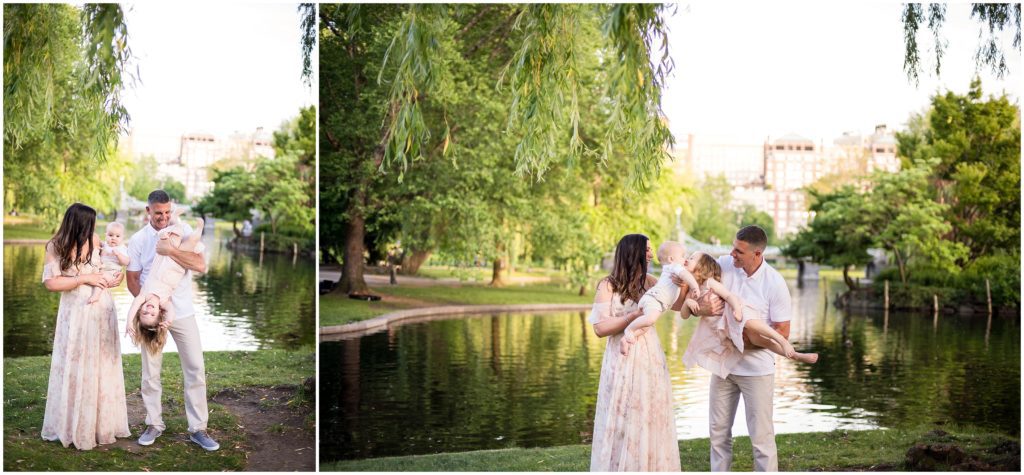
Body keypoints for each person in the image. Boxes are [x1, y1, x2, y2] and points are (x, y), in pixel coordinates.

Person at [588, 234, 722, 471]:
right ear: (632, 253)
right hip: (621, 357)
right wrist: (632, 317)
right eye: (647, 250)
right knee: (622, 414)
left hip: (649, 354)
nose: (651, 254)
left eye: (650, 250)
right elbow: (600, 328)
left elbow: (678, 306)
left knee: (648, 412)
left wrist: (687, 291)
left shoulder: (650, 281)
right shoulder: (608, 285)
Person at [691, 225, 795, 471]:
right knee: (717, 434)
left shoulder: (775, 283)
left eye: (738, 251)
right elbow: (694, 288)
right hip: (723, 366)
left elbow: (783, 333)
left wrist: (744, 341)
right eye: (733, 247)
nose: (731, 254)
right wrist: (702, 308)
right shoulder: (724, 265)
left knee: (761, 439)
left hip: (757, 371)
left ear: (757, 254)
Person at [126, 190, 219, 451]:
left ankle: (198, 428)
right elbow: (132, 279)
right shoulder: (138, 240)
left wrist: (170, 250)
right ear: (148, 211)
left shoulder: (182, 229)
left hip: (183, 312)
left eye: (168, 212)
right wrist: (149, 308)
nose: (164, 218)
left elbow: (200, 265)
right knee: (150, 373)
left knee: (195, 369)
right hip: (153, 315)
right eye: (158, 213)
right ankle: (154, 423)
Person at [40, 203, 130, 450]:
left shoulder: (96, 239)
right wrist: (84, 278)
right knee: (76, 363)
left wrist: (113, 278)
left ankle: (101, 425)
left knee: (100, 364)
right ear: (77, 222)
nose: (93, 228)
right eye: (89, 223)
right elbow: (50, 283)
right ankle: (74, 424)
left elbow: (103, 268)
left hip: (102, 308)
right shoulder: (55, 245)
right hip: (75, 311)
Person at [680, 251, 817, 379]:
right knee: (753, 339)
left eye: (692, 258)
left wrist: (737, 310)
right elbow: (684, 315)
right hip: (722, 327)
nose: (687, 259)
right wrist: (688, 304)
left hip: (732, 313)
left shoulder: (709, 282)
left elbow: (728, 296)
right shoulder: (691, 291)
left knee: (749, 324)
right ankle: (794, 355)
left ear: (701, 267)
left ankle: (787, 347)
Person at [126, 207, 205, 355]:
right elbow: (171, 311)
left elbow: (132, 308)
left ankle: (174, 217)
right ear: (158, 313)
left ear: (140, 310)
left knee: (177, 231)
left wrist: (129, 322)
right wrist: (167, 321)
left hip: (163, 258)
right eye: (152, 314)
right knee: (192, 240)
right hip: (177, 266)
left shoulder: (143, 296)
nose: (148, 310)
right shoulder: (164, 302)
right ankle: (199, 228)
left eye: (144, 313)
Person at [618, 240, 699, 357]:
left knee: (646, 326)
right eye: (682, 256)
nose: (685, 259)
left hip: (656, 302)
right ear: (671, 259)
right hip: (654, 300)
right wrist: (695, 286)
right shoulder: (674, 267)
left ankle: (626, 340)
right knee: (649, 320)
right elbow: (686, 275)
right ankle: (629, 330)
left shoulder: (671, 270)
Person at [87, 222, 130, 304]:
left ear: (122, 237)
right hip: (102, 268)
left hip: (112, 271)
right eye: (110, 235)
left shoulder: (122, 248)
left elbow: (126, 262)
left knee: (101, 279)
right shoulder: (105, 244)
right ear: (106, 235)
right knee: (99, 276)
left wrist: (118, 255)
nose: (113, 238)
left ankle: (96, 295)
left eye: (117, 236)